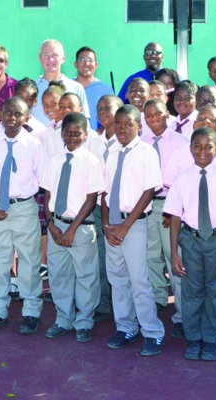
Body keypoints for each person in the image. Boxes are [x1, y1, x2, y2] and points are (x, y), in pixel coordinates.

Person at [165, 127, 216, 361]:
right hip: (190, 240)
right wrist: (174, 253)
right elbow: (175, 217)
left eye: (208, 146)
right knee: (191, 291)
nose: (202, 150)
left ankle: (210, 339)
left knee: (215, 290)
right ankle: (194, 338)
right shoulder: (181, 179)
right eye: (197, 146)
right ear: (190, 149)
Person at [0, 97, 47, 334]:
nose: (12, 118)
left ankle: (30, 311)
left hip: (24, 208)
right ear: (0, 115)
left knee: (28, 260)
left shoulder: (35, 146)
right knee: (0, 259)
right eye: (7, 113)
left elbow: (44, 182)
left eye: (18, 114)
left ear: (27, 118)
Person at [101, 105, 165, 356]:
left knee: (139, 279)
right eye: (118, 124)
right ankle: (126, 327)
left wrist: (125, 227)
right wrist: (107, 226)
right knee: (117, 278)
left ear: (140, 126)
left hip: (133, 224)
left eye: (128, 124)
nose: (122, 129)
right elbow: (104, 192)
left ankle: (152, 331)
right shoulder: (111, 151)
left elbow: (149, 191)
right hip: (112, 224)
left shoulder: (146, 152)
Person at [41, 112, 105, 343]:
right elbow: (47, 194)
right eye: (68, 133)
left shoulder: (91, 161)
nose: (72, 137)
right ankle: (63, 319)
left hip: (81, 227)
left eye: (77, 133)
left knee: (86, 276)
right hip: (57, 225)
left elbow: (91, 199)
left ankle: (84, 321)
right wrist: (51, 224)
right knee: (59, 276)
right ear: (62, 134)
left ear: (85, 135)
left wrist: (71, 229)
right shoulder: (54, 160)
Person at [141, 98, 187, 338]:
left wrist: (174, 210)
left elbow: (185, 179)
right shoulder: (141, 141)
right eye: (148, 115)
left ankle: (181, 313)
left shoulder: (181, 143)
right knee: (151, 256)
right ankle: (159, 298)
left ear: (167, 115)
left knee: (174, 258)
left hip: (171, 206)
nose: (153, 119)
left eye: (158, 114)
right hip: (146, 205)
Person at [85, 94, 124, 322]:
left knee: (123, 258)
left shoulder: (127, 142)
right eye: (98, 108)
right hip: (99, 207)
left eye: (107, 107)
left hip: (122, 206)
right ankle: (103, 302)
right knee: (100, 255)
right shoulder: (93, 142)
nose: (101, 111)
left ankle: (124, 305)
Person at [31, 39, 90, 126]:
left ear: (63, 58)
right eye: (46, 55)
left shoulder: (76, 87)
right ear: (40, 58)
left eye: (55, 55)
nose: (50, 60)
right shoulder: (31, 89)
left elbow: (84, 122)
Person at [74, 46, 114, 130]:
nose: (86, 64)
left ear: (96, 65)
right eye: (82, 59)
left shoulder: (106, 89)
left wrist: (98, 134)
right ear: (76, 64)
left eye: (90, 60)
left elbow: (113, 117)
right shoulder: (68, 86)